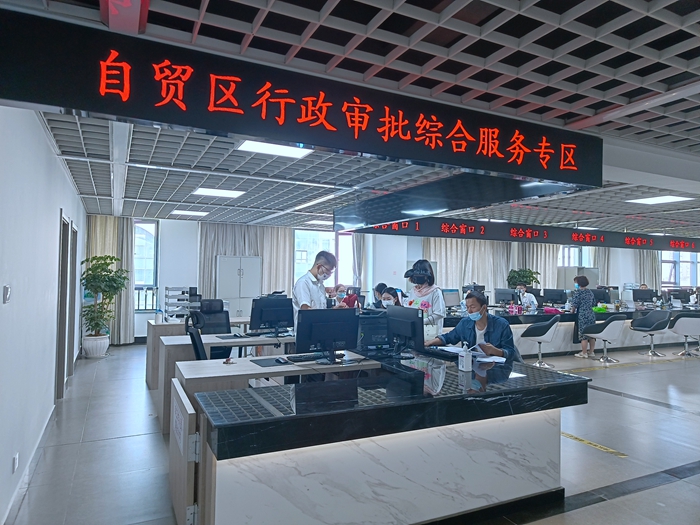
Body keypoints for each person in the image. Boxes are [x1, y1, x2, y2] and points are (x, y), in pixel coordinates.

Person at [425, 291, 522, 390]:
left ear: (484, 308)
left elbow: (511, 352)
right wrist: (429, 342)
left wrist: (495, 351)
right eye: (467, 307)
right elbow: (448, 337)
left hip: (496, 367)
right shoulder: (465, 323)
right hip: (473, 363)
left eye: (473, 307)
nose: (469, 311)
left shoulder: (501, 325)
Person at [292, 251, 344, 326]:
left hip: (319, 328)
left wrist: (334, 310)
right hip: (307, 330)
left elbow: (321, 310)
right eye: (328, 271)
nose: (329, 275)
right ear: (319, 267)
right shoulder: (303, 283)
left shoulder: (320, 285)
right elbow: (306, 310)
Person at [405, 260, 446, 338]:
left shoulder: (435, 292)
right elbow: (409, 308)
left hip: (431, 334)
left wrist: (421, 322)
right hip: (415, 332)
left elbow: (439, 314)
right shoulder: (413, 291)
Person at [570, 275, 596, 358]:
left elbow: (574, 304)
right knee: (591, 334)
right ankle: (591, 352)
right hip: (591, 314)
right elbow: (593, 303)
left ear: (579, 283)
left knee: (583, 334)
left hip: (583, 315)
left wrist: (572, 311)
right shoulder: (590, 292)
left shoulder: (578, 292)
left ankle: (584, 353)